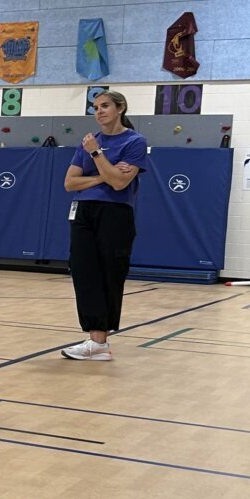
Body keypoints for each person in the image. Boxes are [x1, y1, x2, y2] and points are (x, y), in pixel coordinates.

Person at [61, 90, 150, 361]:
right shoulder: (88, 141)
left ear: (120, 108)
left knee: (109, 273)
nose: (99, 111)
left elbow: (120, 183)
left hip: (115, 213)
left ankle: (100, 341)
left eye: (105, 106)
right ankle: (94, 341)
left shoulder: (134, 141)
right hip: (83, 211)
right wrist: (103, 177)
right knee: (84, 271)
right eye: (95, 107)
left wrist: (97, 155)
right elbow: (69, 183)